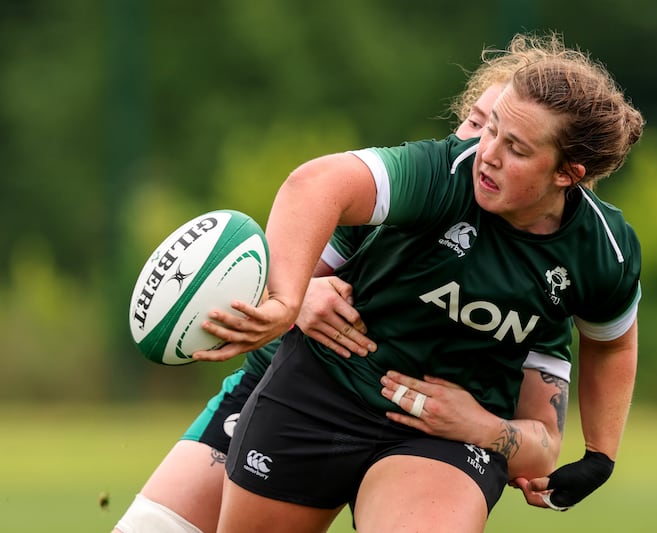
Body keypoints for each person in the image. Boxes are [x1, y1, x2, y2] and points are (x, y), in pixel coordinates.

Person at [113, 37, 570, 533]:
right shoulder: (412, 193)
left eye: (510, 140)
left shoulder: (549, 269)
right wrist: (299, 295)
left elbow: (542, 440)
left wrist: (502, 440)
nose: (481, 146)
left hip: (424, 436)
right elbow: (283, 271)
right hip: (288, 395)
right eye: (476, 123)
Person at [196, 31, 643, 533]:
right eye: (490, 128)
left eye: (515, 148)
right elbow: (316, 184)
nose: (487, 154)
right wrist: (286, 299)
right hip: (322, 393)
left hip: (444, 434)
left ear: (568, 174)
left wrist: (601, 454)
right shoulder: (443, 172)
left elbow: (610, 344)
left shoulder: (604, 251)